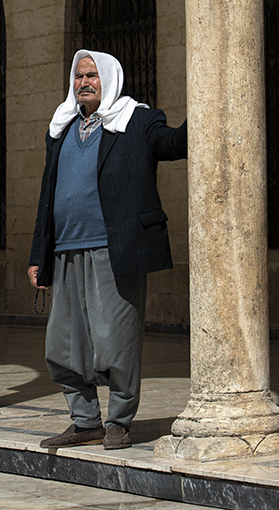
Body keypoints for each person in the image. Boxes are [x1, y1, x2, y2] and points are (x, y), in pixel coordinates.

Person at [28, 50, 187, 450]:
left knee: (116, 339)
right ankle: (85, 422)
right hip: (65, 250)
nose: (84, 82)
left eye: (93, 76)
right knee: (63, 346)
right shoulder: (61, 128)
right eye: (79, 76)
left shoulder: (137, 121)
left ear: (110, 79)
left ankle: (119, 421)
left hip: (115, 249)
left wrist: (209, 109)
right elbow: (48, 195)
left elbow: (174, 143)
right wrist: (38, 254)